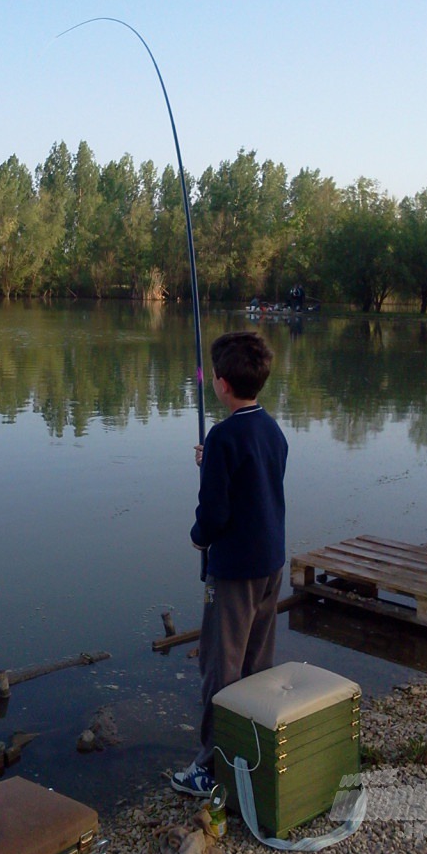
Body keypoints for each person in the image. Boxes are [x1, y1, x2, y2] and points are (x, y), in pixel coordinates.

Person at [171, 331, 288, 797]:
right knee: (258, 662)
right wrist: (213, 462)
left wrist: (198, 538)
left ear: (220, 384)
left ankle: (211, 768)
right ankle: (253, 750)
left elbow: (215, 516)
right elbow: (255, 479)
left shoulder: (222, 437)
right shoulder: (271, 428)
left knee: (220, 668)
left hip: (234, 571)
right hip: (270, 563)